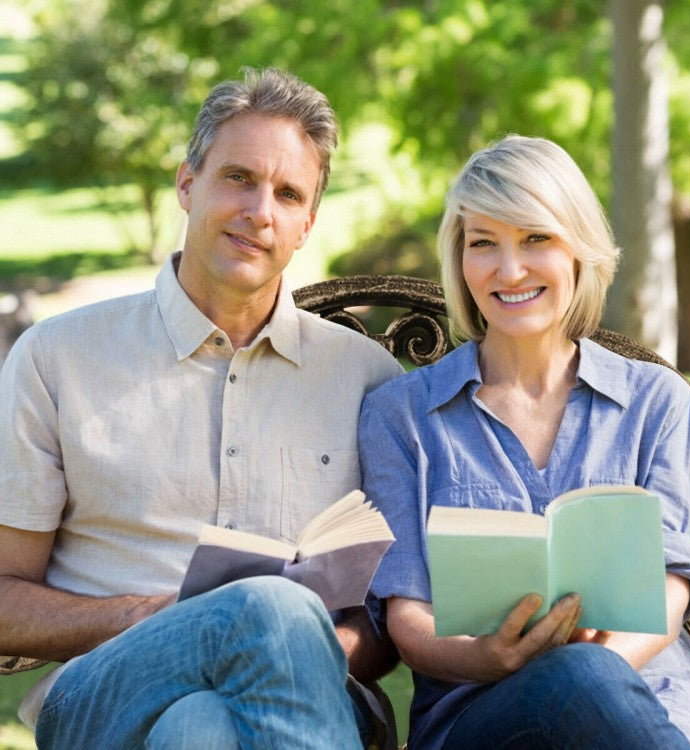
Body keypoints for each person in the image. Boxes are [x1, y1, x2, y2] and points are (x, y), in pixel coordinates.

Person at [0, 66, 403, 749]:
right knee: (260, 608)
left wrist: (299, 638)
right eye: (238, 178)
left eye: (286, 194)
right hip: (107, 693)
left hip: (320, 690)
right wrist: (152, 617)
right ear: (188, 184)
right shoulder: (56, 357)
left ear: (307, 225)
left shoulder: (368, 378)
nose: (258, 212)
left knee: (203, 728)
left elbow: (389, 617)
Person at [358, 134, 690, 749]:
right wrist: (492, 657)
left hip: (660, 699)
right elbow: (408, 620)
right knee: (577, 676)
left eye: (535, 239)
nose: (509, 271)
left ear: (577, 250)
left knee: (590, 676)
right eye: (483, 243)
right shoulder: (400, 417)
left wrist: (600, 666)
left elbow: (671, 587)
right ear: (460, 260)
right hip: (482, 715)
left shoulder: (657, 403)